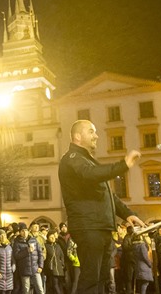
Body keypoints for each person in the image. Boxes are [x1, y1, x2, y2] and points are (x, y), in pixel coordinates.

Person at [58, 119, 145, 294]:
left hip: (100, 227)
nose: (96, 136)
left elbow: (108, 195)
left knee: (102, 279)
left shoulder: (88, 161)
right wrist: (123, 165)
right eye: (91, 131)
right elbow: (90, 175)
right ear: (77, 136)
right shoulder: (72, 159)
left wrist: (127, 213)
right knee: (91, 280)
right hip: (89, 227)